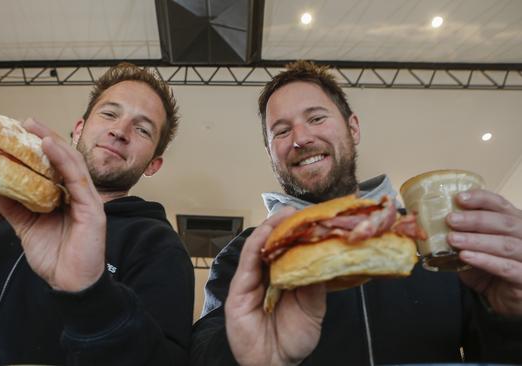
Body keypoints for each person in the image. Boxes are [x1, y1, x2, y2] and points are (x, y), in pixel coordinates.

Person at [191, 61, 522, 365]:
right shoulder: (246, 254)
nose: (301, 138)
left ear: (353, 128)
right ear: (271, 153)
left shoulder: (427, 234)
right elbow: (201, 352)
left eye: (316, 118)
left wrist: (511, 315)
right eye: (281, 131)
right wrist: (245, 357)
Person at [0, 63, 195, 365]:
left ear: (154, 164)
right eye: (110, 113)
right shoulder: (2, 216)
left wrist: (90, 294)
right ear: (78, 129)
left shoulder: (159, 246)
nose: (119, 131)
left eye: (142, 129)